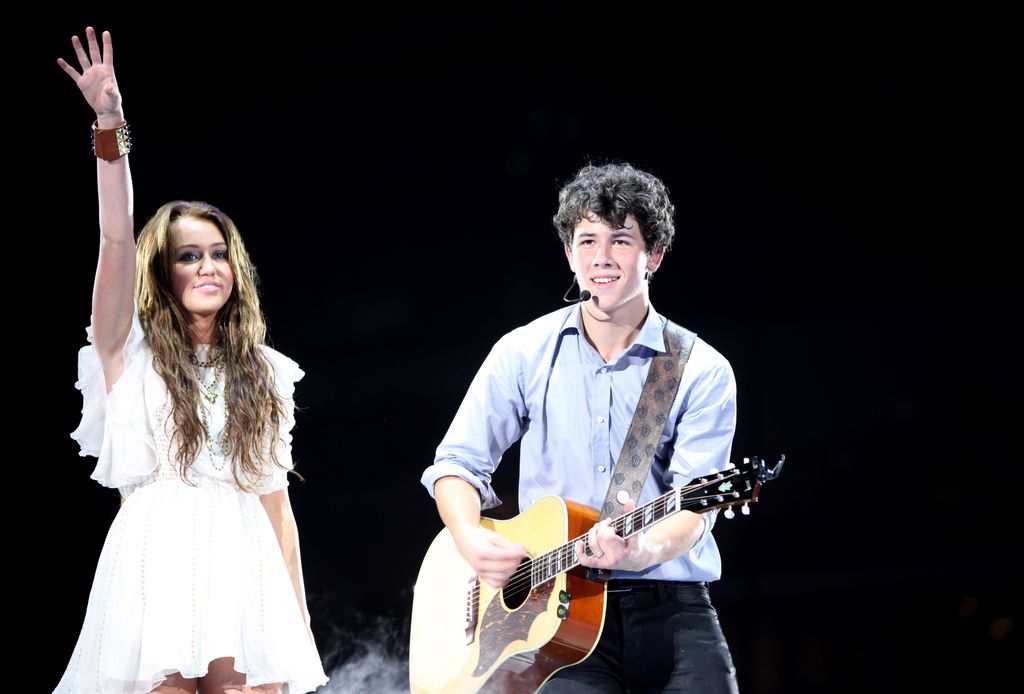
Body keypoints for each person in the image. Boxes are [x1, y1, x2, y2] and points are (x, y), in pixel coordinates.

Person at [55, 27, 328, 694]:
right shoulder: (126, 351)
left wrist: (299, 628)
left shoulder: (264, 371)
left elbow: (275, 507)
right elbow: (115, 236)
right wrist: (109, 126)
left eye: (216, 252)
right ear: (164, 271)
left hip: (244, 561)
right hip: (157, 561)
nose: (207, 265)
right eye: (188, 254)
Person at [422, 162, 740, 692]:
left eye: (620, 241)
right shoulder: (523, 351)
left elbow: (694, 507)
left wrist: (637, 551)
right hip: (549, 614)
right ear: (569, 253)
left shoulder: (701, 369)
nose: (601, 258)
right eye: (586, 240)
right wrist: (469, 536)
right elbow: (456, 464)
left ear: (654, 255)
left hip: (672, 611)